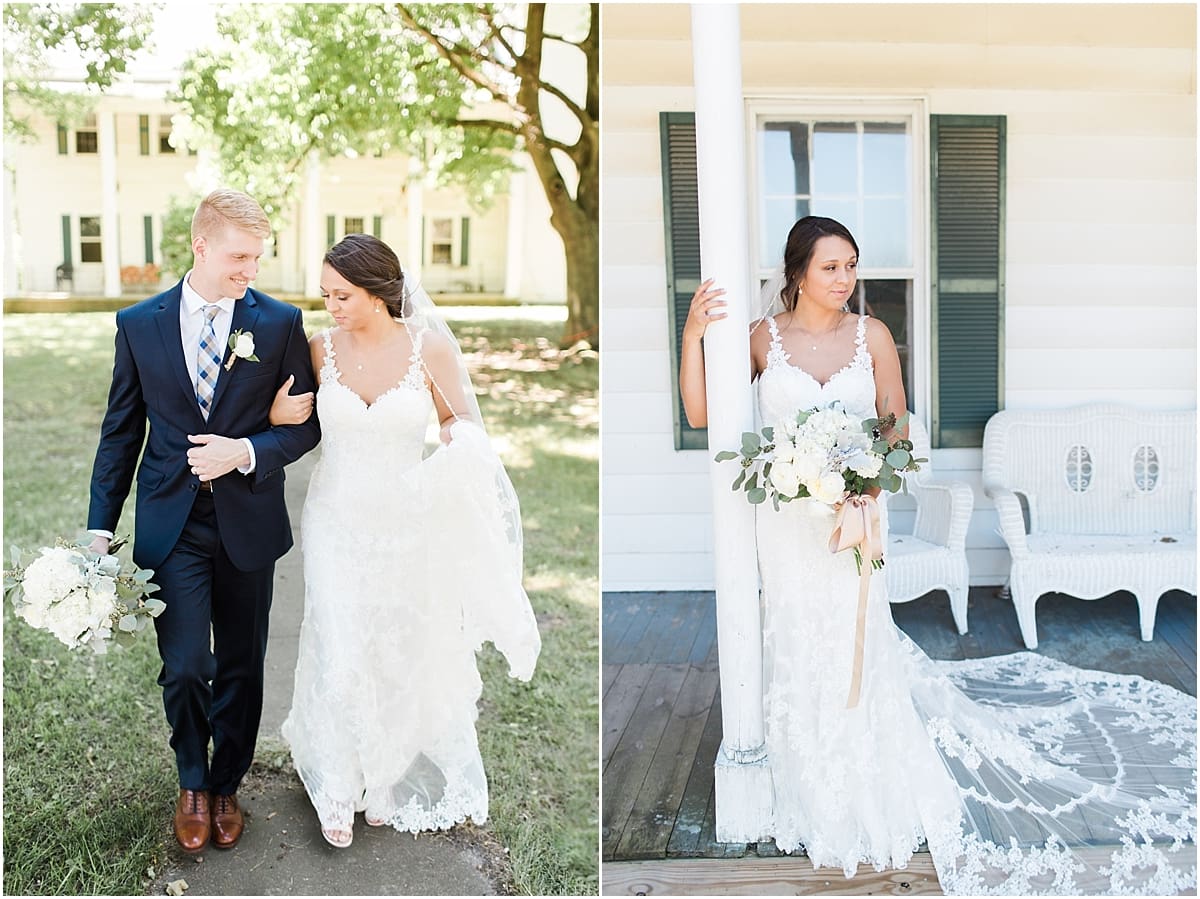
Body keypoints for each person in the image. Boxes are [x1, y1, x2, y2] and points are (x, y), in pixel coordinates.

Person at [679, 215, 1195, 894]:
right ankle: (807, 780)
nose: (845, 279)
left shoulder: (875, 337)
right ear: (797, 270)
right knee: (800, 636)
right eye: (831, 267)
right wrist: (693, 335)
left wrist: (867, 478)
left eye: (852, 265)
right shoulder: (760, 340)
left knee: (858, 637)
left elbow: (895, 423)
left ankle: (865, 772)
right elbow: (700, 414)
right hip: (789, 528)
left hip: (858, 515)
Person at [270, 233, 541, 848]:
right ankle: (338, 782)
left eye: (341, 295)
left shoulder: (429, 348)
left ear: (376, 292)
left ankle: (384, 774)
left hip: (406, 521)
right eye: (326, 295)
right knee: (341, 645)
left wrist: (456, 443)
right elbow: (290, 417)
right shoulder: (318, 350)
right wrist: (276, 418)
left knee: (393, 647)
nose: (331, 305)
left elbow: (462, 421)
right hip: (335, 518)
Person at [87, 189, 322, 853]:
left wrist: (245, 450)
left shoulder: (278, 325)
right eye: (239, 256)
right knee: (187, 664)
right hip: (173, 522)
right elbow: (120, 432)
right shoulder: (139, 323)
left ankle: (225, 784)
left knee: (244, 665)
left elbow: (305, 429)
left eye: (258, 257)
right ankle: (191, 779)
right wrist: (98, 529)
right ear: (201, 245)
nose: (251, 269)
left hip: (248, 522)